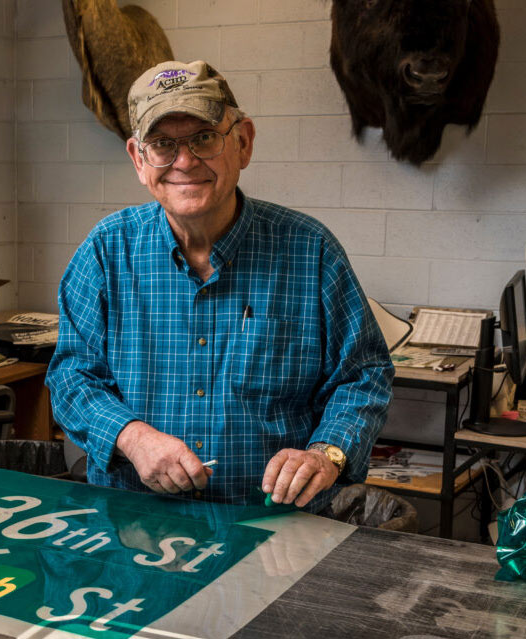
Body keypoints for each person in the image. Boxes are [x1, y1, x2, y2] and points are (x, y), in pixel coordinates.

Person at [47, 60, 394, 514]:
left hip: (273, 529)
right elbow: (71, 378)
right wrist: (133, 438)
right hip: (135, 527)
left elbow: (362, 376)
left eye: (204, 138)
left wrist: (325, 454)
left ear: (243, 142)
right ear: (138, 158)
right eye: (163, 144)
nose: (185, 161)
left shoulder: (311, 251)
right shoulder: (106, 252)